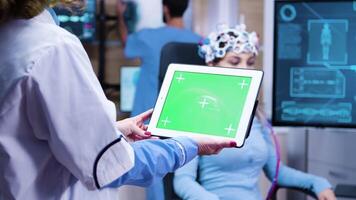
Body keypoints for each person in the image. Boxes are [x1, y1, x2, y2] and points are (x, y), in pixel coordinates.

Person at [0, 1, 236, 199]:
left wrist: (112, 130)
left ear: (165, 8)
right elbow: (109, 166)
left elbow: (23, 132)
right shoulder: (54, 47)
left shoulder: (14, 40)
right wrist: (187, 145)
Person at [173, 24, 337, 200]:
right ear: (212, 65)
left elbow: (278, 172)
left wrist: (317, 183)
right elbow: (183, 180)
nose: (245, 70)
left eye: (250, 62)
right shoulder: (197, 114)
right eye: (235, 62)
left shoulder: (257, 117)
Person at [116, 0, 201, 117]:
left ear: (165, 8)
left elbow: (126, 42)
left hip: (146, 119)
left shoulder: (147, 37)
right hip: (182, 116)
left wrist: (120, 15)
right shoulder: (200, 42)